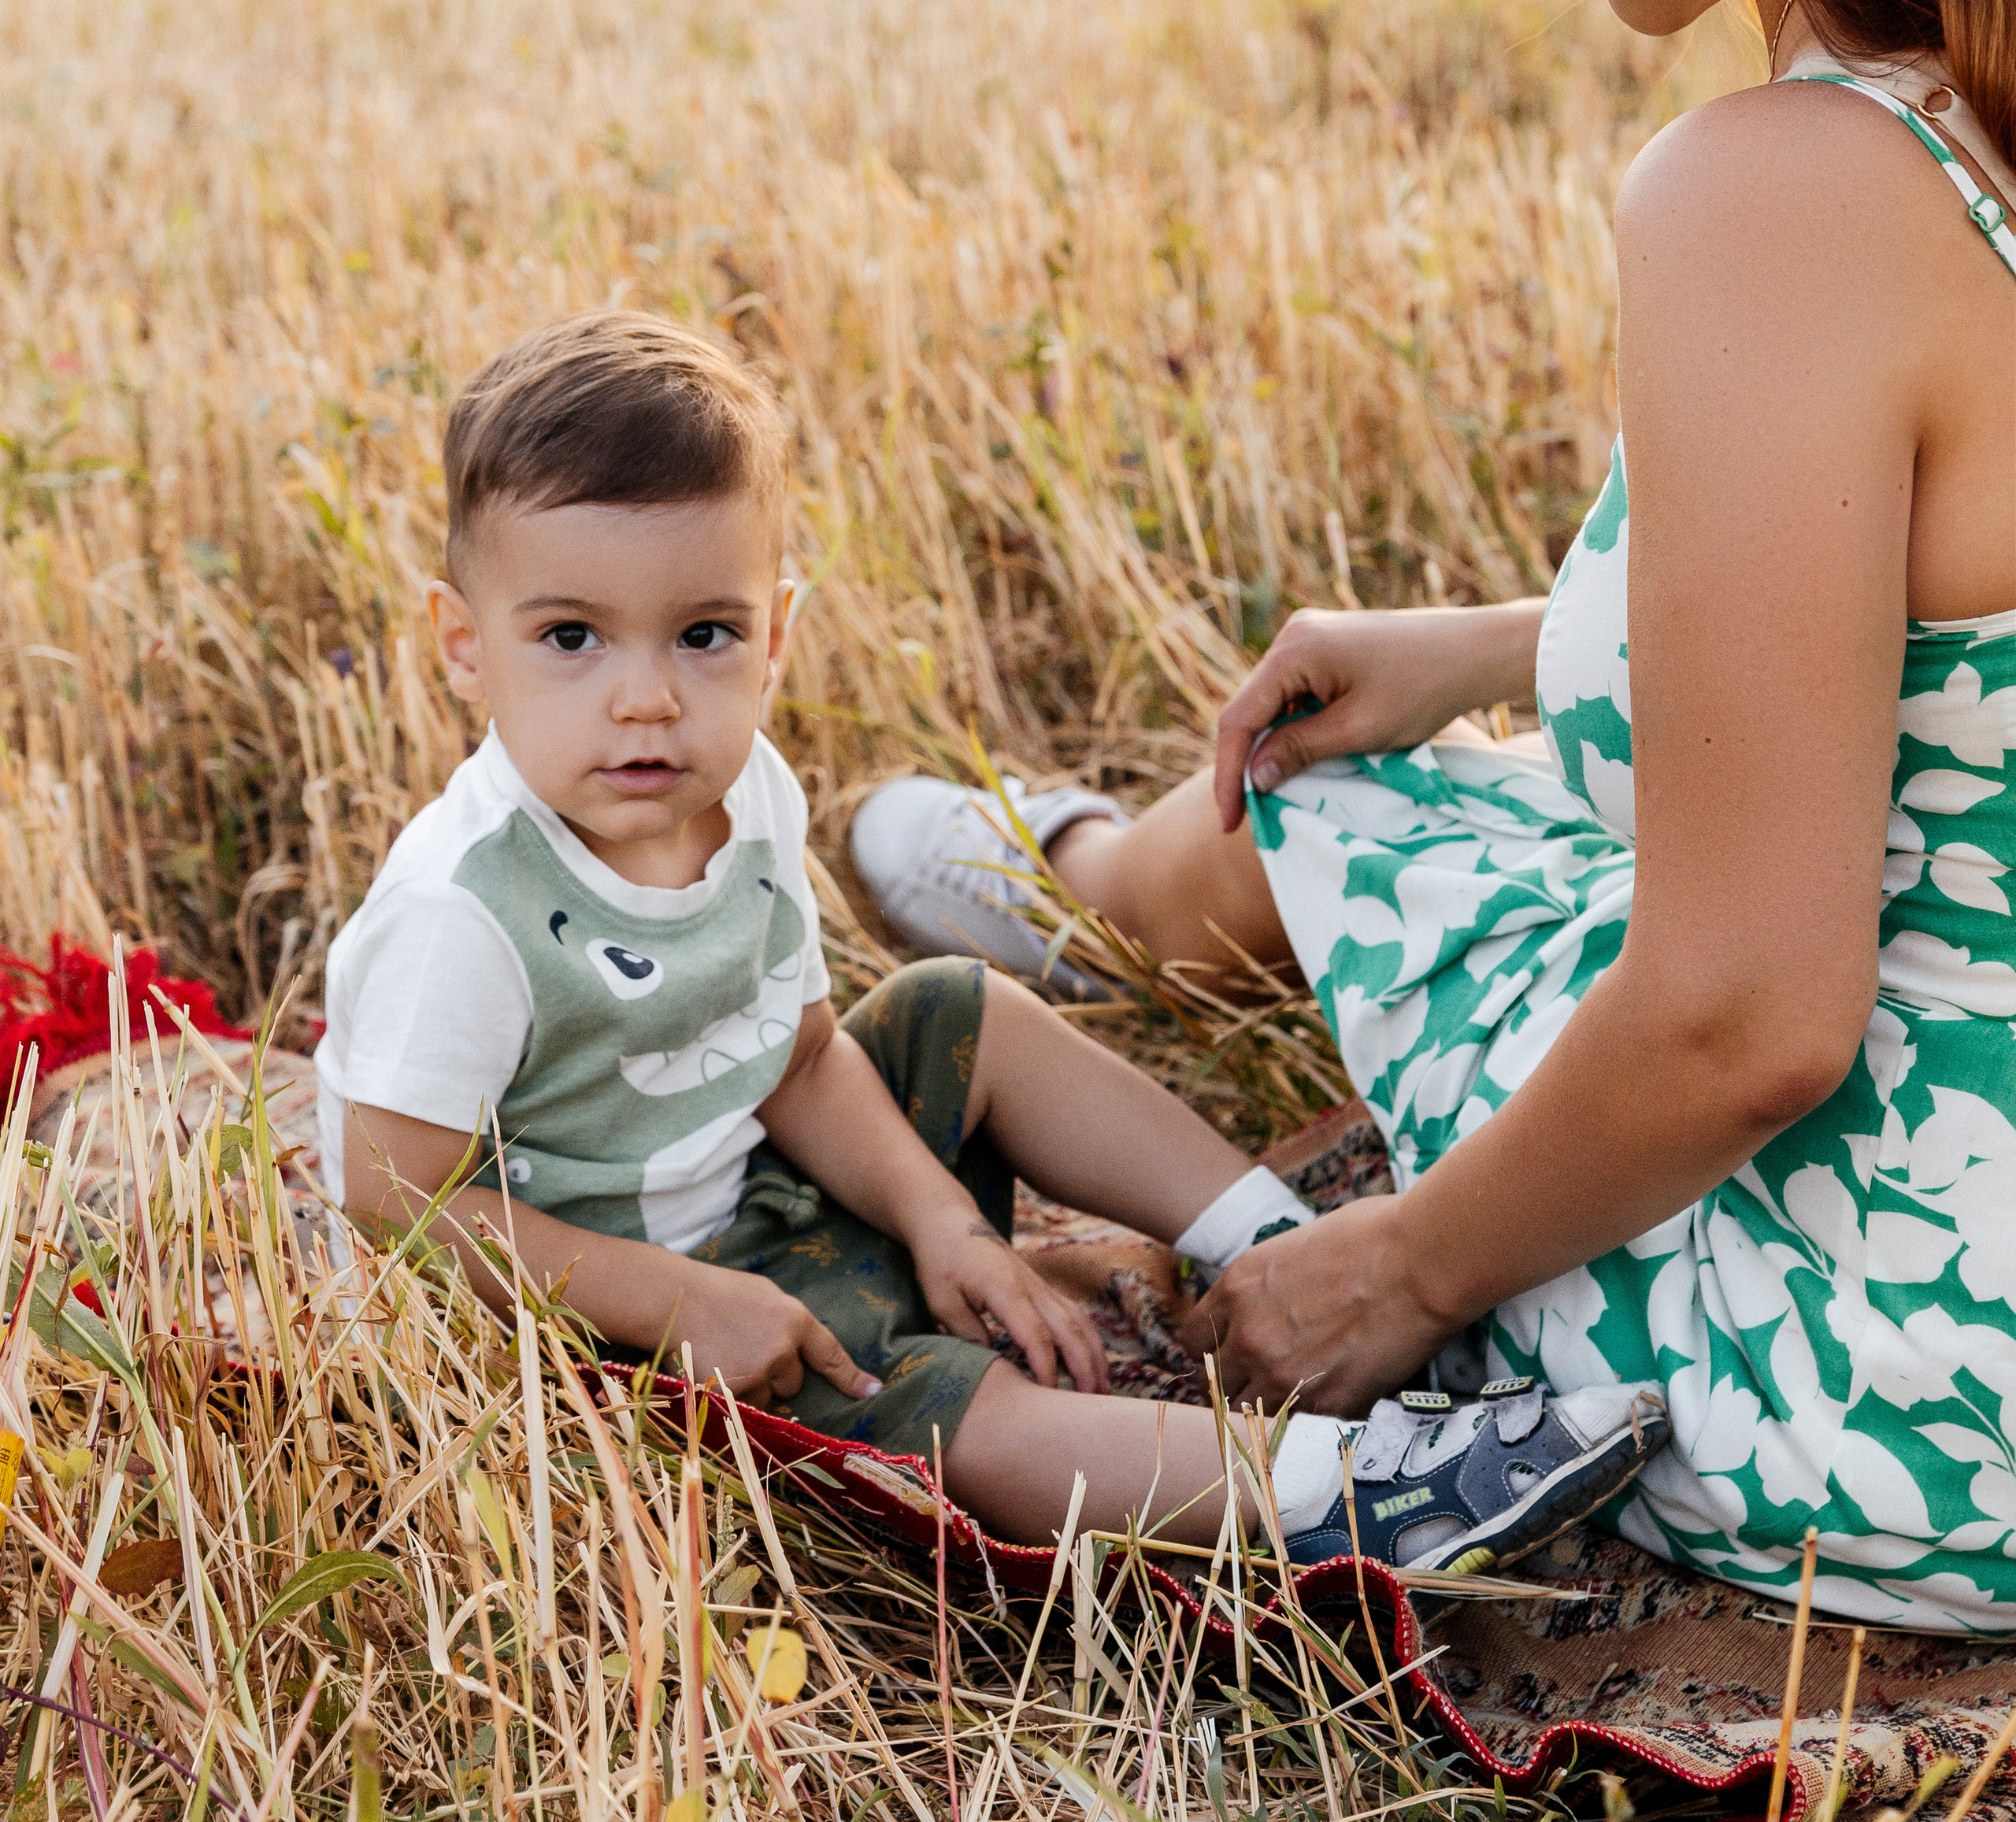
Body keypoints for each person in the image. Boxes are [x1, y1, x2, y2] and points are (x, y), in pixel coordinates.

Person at [850, 0, 2016, 1631]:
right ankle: (1117, 866)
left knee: (1418, 838)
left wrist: (1395, 1270)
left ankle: (1120, 881)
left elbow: (1748, 1016)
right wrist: (1508, 641)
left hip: (1920, 1385)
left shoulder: (1777, 196)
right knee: (1446, 766)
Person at [314, 309, 1664, 1574]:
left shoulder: (742, 797)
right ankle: (1346, 1487)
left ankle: (1285, 1250)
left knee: (966, 1006)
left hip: (760, 1189)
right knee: (961, 1419)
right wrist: (674, 1302)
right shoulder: (466, 911)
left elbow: (794, 1057)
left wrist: (941, 1221)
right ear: (461, 645)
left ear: (776, 632)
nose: (649, 699)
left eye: (705, 634)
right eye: (570, 639)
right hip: (608, 1312)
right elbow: (389, 1195)